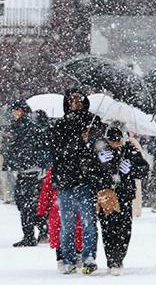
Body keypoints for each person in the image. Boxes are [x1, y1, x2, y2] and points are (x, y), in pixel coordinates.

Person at [47, 88, 105, 275]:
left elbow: (99, 151)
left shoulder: (94, 122)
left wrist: (91, 139)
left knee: (89, 223)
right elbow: (58, 153)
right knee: (68, 225)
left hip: (87, 181)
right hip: (66, 182)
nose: (76, 103)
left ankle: (89, 257)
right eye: (72, 100)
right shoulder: (59, 125)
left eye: (79, 100)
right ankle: (69, 258)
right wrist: (79, 142)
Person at [97, 127, 150, 276]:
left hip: (125, 196)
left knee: (124, 230)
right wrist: (99, 162)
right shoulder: (100, 150)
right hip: (106, 196)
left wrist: (131, 169)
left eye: (117, 140)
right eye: (111, 140)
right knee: (107, 230)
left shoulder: (130, 150)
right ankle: (111, 260)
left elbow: (144, 170)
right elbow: (89, 171)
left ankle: (118, 258)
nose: (115, 144)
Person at [3, 99, 49, 246]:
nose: (13, 113)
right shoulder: (20, 127)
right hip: (27, 170)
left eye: (15, 110)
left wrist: (17, 159)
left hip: (31, 171)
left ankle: (33, 234)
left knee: (27, 204)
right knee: (27, 204)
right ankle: (39, 231)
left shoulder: (28, 127)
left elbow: (27, 148)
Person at [37, 167, 82, 271]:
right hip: (59, 206)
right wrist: (42, 209)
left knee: (72, 230)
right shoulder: (55, 170)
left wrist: (42, 208)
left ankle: (73, 254)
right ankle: (63, 257)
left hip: (63, 205)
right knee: (64, 231)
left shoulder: (55, 170)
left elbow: (46, 191)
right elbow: (46, 191)